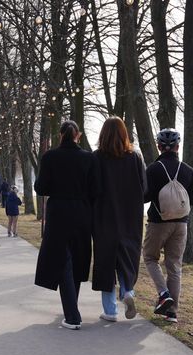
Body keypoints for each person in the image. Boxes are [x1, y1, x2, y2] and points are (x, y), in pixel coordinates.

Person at [34, 120, 95, 330]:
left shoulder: (50, 157)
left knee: (62, 260)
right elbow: (95, 189)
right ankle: (72, 309)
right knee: (77, 260)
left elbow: (41, 188)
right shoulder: (88, 158)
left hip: (58, 212)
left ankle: (72, 315)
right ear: (77, 135)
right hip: (82, 212)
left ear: (60, 135)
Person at [91, 117, 146, 322]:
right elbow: (144, 189)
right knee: (126, 259)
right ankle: (127, 292)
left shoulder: (96, 158)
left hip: (104, 217)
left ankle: (110, 311)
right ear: (125, 134)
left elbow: (93, 189)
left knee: (106, 263)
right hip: (130, 218)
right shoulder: (135, 158)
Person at [143, 128, 193, 323]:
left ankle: (163, 293)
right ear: (178, 146)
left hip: (158, 223)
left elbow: (144, 197)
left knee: (150, 258)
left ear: (159, 147)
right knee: (174, 266)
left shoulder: (153, 169)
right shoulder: (189, 171)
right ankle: (172, 313)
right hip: (181, 225)